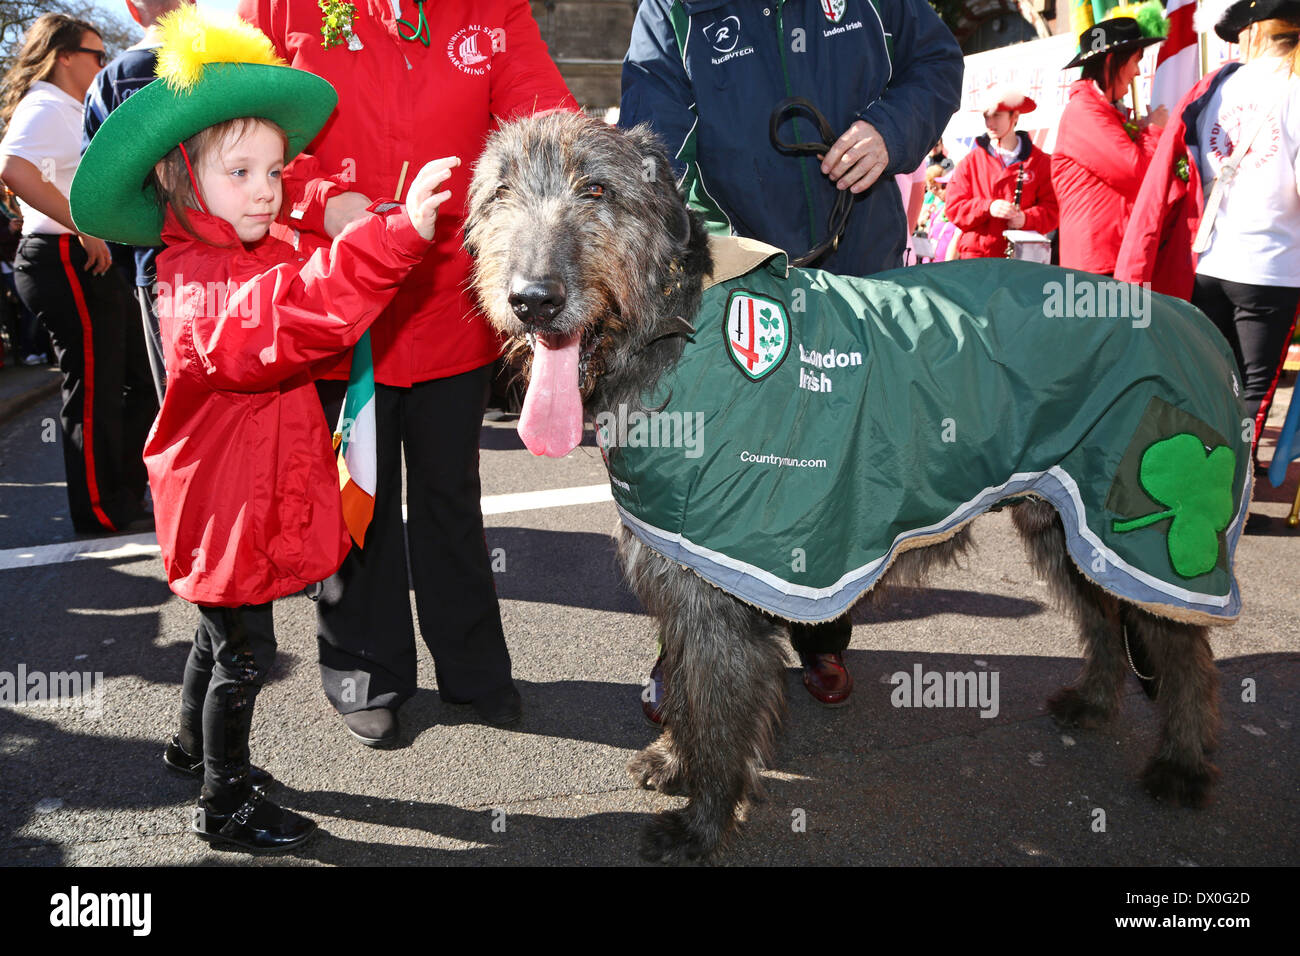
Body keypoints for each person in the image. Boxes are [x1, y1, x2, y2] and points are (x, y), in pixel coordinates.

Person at [70, 6, 456, 850]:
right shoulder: (200, 281)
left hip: (233, 497)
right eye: (240, 171)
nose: (266, 189)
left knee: (218, 637)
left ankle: (186, 746)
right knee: (243, 655)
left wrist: (348, 219)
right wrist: (395, 239)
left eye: (273, 170)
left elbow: (303, 270)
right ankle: (226, 802)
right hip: (225, 506)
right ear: (179, 178)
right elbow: (293, 314)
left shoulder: (240, 249)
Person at [239, 0, 579, 746]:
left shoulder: (493, 10)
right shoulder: (275, 7)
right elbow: (243, 139)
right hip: (336, 298)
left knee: (449, 493)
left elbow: (550, 127)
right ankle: (365, 672)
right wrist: (323, 201)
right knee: (356, 495)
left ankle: (474, 670)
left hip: (445, 301)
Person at [619, 0, 964, 713]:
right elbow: (653, 148)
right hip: (727, 279)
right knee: (711, 477)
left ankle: (823, 631)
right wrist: (719, 249)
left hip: (855, 275)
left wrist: (889, 130)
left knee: (835, 464)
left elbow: (936, 62)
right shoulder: (672, 10)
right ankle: (686, 655)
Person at [1117, 0, 1300, 504]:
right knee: (1253, 394)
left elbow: (1189, 168)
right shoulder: (1294, 83)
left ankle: (1182, 483)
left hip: (1211, 257)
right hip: (1271, 265)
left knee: (1209, 383)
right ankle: (1224, 497)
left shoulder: (1220, 83)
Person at [0, 13, 156, 534]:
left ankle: (127, 495)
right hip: (62, 257)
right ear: (64, 56)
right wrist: (84, 225)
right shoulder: (44, 103)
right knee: (93, 391)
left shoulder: (70, 104)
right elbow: (13, 167)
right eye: (95, 54)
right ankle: (99, 511)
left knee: (136, 380)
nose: (103, 63)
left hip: (88, 259)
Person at [83, 0, 193, 402]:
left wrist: (130, 262)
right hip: (236, 258)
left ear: (132, 8)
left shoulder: (109, 82)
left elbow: (98, 190)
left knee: (179, 399)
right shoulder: (225, 66)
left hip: (157, 265)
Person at [1052, 2, 1169, 275]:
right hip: (1097, 267)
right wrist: (1152, 131)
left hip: (1112, 261)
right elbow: (1137, 174)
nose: (1138, 72)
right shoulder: (1085, 111)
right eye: (1136, 60)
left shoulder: (1100, 110)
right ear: (1110, 61)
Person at [944, 85, 1057, 259]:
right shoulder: (970, 162)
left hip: (1021, 261)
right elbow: (953, 208)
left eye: (996, 115)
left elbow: (1053, 209)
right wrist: (987, 206)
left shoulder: (1041, 162)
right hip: (977, 260)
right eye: (986, 116)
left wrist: (1026, 219)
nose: (989, 123)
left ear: (1015, 116)